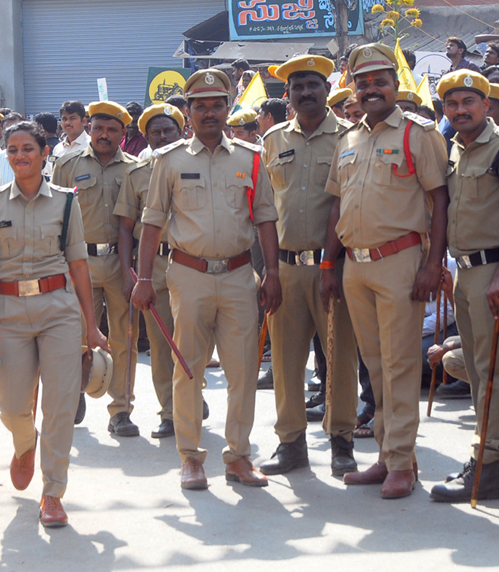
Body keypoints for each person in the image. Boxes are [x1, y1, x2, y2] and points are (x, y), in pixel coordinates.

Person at [131, 68, 281, 491]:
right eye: (201, 106)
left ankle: (238, 456)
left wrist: (272, 272)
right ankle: (191, 457)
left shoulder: (250, 159)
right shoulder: (169, 160)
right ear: (189, 111)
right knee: (188, 369)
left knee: (243, 371)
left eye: (217, 105)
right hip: (189, 276)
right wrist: (144, 278)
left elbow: (266, 219)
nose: (209, 112)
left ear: (228, 107)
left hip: (238, 276)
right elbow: (152, 222)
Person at [320, 43, 449, 499]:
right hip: (355, 265)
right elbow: (338, 203)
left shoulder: (419, 133)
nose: (371, 89)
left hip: (400, 261)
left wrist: (434, 263)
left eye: (380, 81)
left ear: (396, 85)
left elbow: (439, 199)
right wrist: (328, 263)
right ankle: (390, 457)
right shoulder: (348, 138)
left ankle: (401, 464)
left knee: (399, 366)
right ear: (354, 88)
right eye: (363, 82)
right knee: (375, 369)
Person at [0, 121, 109, 528]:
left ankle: (52, 493)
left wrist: (91, 325)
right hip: (10, 313)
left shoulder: (66, 202)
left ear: (43, 152)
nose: (19, 156)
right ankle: (23, 443)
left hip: (59, 309)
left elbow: (79, 265)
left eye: (27, 148)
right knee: (12, 405)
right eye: (12, 150)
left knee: (60, 404)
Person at [429, 69, 499, 502]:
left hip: (497, 272)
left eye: (468, 103)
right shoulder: (455, 150)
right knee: (478, 372)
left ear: (486, 106)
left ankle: (487, 463)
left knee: (494, 371)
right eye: (452, 104)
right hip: (467, 272)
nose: (459, 111)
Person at [257, 56, 360, 479]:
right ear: (288, 95)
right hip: (285, 267)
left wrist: (332, 264)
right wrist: (268, 271)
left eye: (313, 85)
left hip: (332, 267)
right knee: (285, 360)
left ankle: (341, 441)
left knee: (338, 357)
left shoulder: (351, 137)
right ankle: (291, 444)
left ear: (327, 89)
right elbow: (264, 208)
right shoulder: (274, 140)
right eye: (297, 86)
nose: (305, 93)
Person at [51, 101, 140, 435]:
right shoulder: (66, 164)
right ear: (89, 128)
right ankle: (75, 391)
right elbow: (54, 215)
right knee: (74, 334)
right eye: (99, 128)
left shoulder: (134, 168)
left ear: (123, 133)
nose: (104, 135)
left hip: (120, 263)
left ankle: (121, 410)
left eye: (112, 130)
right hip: (78, 263)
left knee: (124, 337)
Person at [115, 103, 187, 439]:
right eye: (155, 132)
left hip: (192, 262)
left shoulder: (195, 165)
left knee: (193, 338)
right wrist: (131, 273)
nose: (161, 136)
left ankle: (191, 397)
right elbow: (126, 227)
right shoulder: (135, 174)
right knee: (161, 343)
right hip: (153, 266)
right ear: (146, 136)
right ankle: (170, 412)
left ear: (181, 132)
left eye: (168, 130)